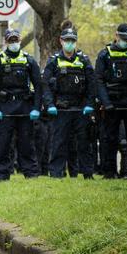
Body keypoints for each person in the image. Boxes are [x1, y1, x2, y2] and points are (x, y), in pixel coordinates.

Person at [42, 24, 96, 179]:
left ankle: (87, 173)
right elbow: (45, 85)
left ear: (76, 41)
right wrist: (50, 105)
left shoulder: (84, 61)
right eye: (67, 40)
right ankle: (56, 174)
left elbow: (92, 85)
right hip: (61, 109)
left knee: (84, 143)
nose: (69, 43)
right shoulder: (54, 61)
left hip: (80, 108)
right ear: (61, 41)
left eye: (72, 40)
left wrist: (89, 105)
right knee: (58, 143)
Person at [0, 28, 42, 181]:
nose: (13, 43)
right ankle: (2, 174)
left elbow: (38, 86)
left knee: (26, 143)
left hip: (25, 108)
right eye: (10, 40)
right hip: (5, 109)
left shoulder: (29, 60)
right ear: (6, 41)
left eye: (16, 40)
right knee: (3, 143)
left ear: (20, 40)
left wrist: (37, 108)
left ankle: (31, 173)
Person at [95, 23, 127, 178]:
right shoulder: (105, 54)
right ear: (116, 36)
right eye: (124, 38)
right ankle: (109, 172)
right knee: (108, 139)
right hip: (112, 102)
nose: (126, 41)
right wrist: (106, 103)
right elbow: (98, 80)